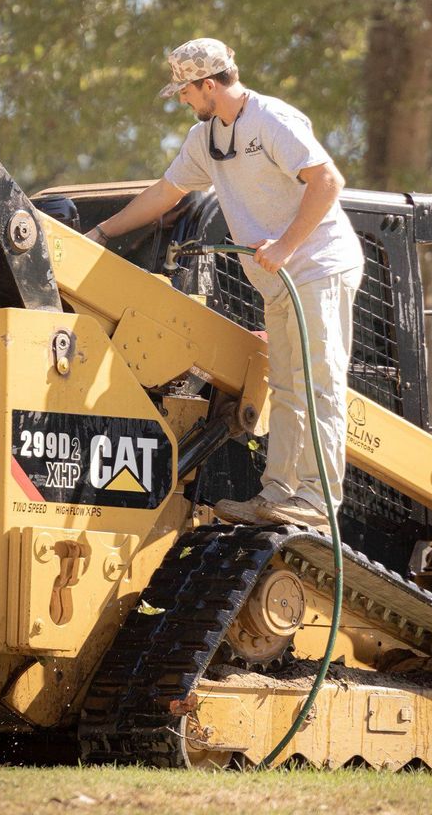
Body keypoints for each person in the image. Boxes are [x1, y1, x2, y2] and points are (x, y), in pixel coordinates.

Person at [86, 37, 364, 529]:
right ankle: (278, 494)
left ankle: (318, 503)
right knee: (286, 387)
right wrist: (102, 233)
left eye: (185, 91)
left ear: (209, 85)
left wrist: (286, 246)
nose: (182, 99)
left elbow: (328, 182)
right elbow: (166, 193)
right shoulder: (206, 138)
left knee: (318, 384)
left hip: (318, 266)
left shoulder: (272, 119)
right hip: (279, 280)